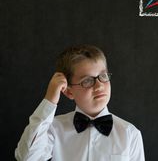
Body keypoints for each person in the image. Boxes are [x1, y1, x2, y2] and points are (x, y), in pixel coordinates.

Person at [15, 44, 145, 161]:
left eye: (103, 76)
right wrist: (50, 100)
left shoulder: (130, 133)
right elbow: (27, 157)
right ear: (69, 92)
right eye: (87, 80)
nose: (99, 86)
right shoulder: (53, 128)